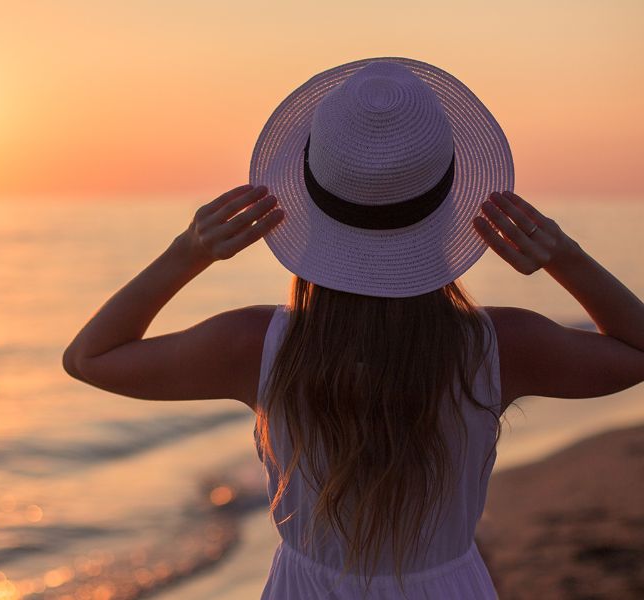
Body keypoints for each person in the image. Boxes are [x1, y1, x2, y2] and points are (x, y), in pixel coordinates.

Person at [62, 58, 644, 599]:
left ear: (309, 206)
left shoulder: (254, 346)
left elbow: (91, 357)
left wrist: (186, 253)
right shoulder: (501, 346)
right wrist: (563, 256)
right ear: (450, 208)